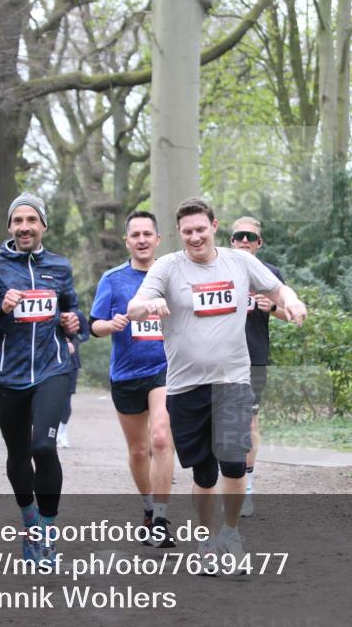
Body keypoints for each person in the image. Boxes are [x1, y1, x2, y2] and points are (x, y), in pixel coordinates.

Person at [127, 198, 307, 572]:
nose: (195, 237)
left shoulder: (239, 261)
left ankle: (231, 534)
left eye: (201, 229)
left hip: (233, 381)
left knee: (234, 464)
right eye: (187, 231)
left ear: (214, 226)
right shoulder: (167, 267)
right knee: (204, 474)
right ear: (179, 233)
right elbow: (134, 307)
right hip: (185, 386)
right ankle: (206, 540)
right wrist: (150, 306)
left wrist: (292, 302)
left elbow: (277, 289)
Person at [0, 193, 83, 564]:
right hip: (9, 375)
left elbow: (73, 312)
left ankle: (47, 533)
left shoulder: (60, 267)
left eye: (32, 220)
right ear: (10, 227)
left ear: (43, 225)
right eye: (18, 221)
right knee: (18, 455)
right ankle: (30, 523)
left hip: (52, 369)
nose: (25, 227)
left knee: (43, 448)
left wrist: (74, 322)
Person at [90, 211, 176, 548]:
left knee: (160, 439)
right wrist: (109, 325)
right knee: (139, 451)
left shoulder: (171, 275)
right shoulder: (112, 279)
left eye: (147, 234)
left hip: (164, 369)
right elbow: (94, 325)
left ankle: (162, 520)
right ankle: (148, 508)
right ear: (127, 241)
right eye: (135, 235)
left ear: (158, 239)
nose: (142, 240)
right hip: (126, 373)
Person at [230, 216, 288, 518]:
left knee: (250, 424)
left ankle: (247, 489)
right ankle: (226, 481)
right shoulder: (218, 270)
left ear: (259, 243)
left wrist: (273, 307)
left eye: (250, 237)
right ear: (231, 241)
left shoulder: (270, 274)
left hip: (254, 357)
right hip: (218, 358)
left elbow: (290, 312)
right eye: (239, 236)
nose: (244, 241)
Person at [56, 313, 89, 448]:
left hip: (71, 363)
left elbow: (86, 333)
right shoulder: (50, 312)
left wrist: (75, 341)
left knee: (66, 400)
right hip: (50, 363)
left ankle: (62, 432)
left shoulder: (77, 314)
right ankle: (49, 432)